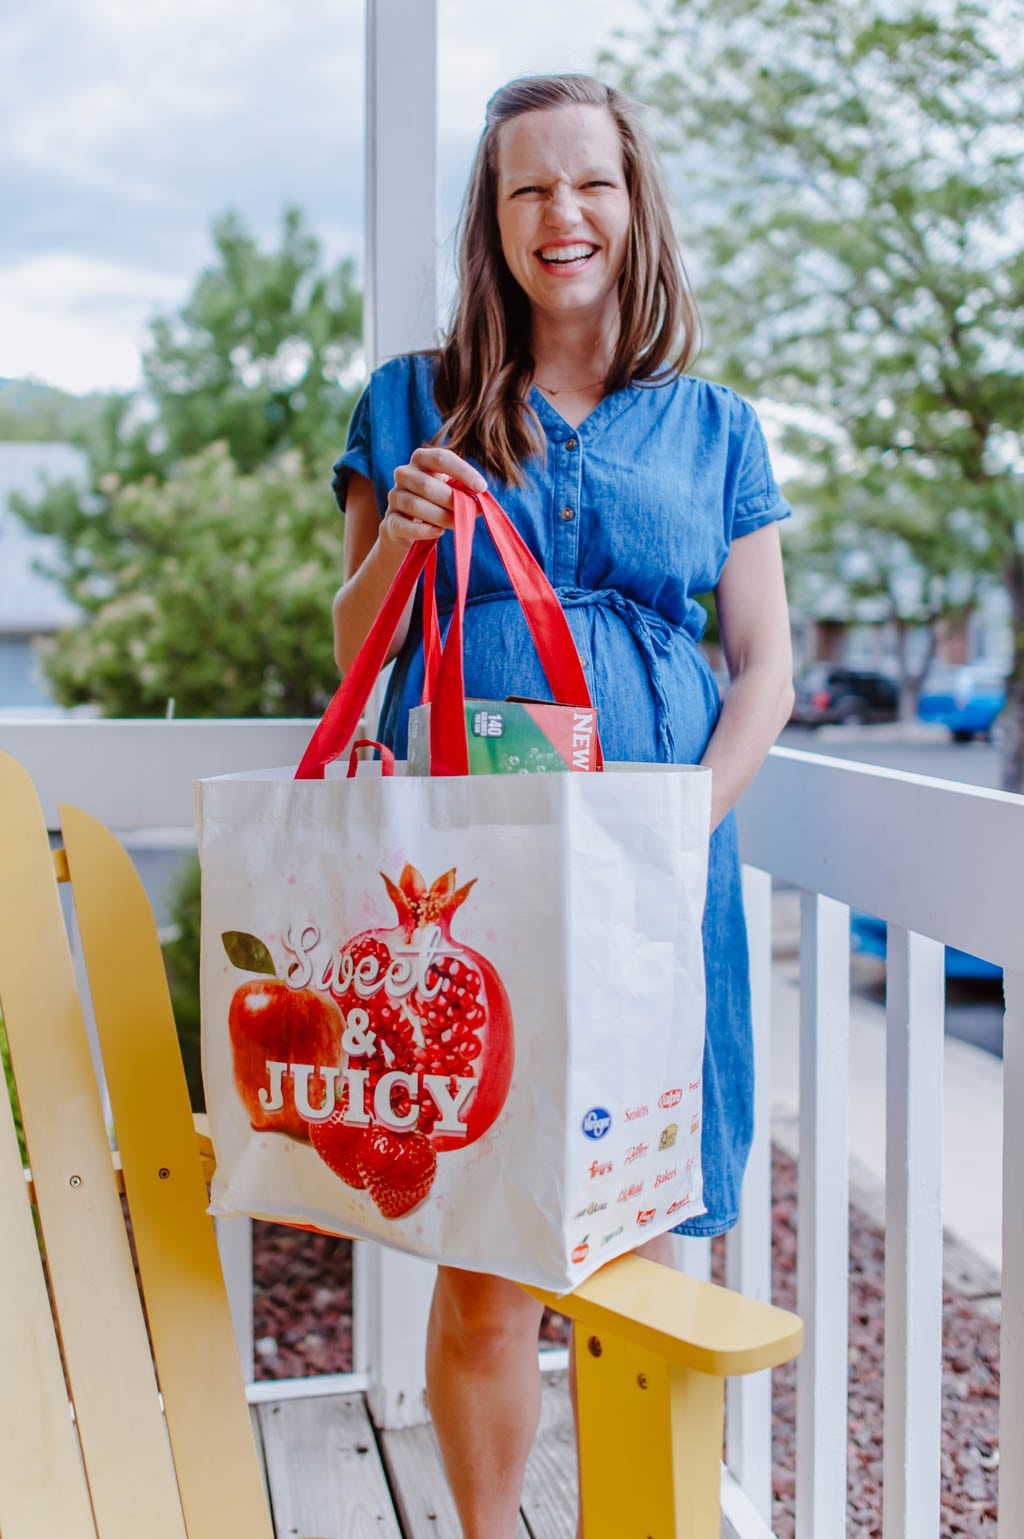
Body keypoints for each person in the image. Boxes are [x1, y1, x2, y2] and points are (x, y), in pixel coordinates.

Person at [331, 72, 793, 1539]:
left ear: (633, 202)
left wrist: (684, 831)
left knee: (643, 1253)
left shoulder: (716, 425)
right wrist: (400, 548)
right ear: (495, 219)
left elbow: (766, 664)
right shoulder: (411, 398)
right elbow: (356, 653)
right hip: (473, 893)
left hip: (659, 891)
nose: (561, 215)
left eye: (588, 182)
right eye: (528, 189)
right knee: (486, 1262)